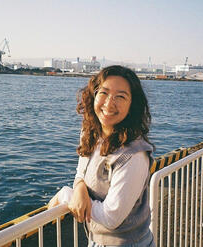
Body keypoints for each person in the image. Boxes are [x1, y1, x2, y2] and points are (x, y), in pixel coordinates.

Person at [48, 65, 155, 246]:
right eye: (104, 93)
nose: (109, 103)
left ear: (132, 105)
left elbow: (111, 217)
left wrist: (66, 195)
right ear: (94, 94)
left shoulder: (133, 155)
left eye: (120, 96)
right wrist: (80, 187)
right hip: (95, 240)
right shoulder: (91, 133)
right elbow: (81, 171)